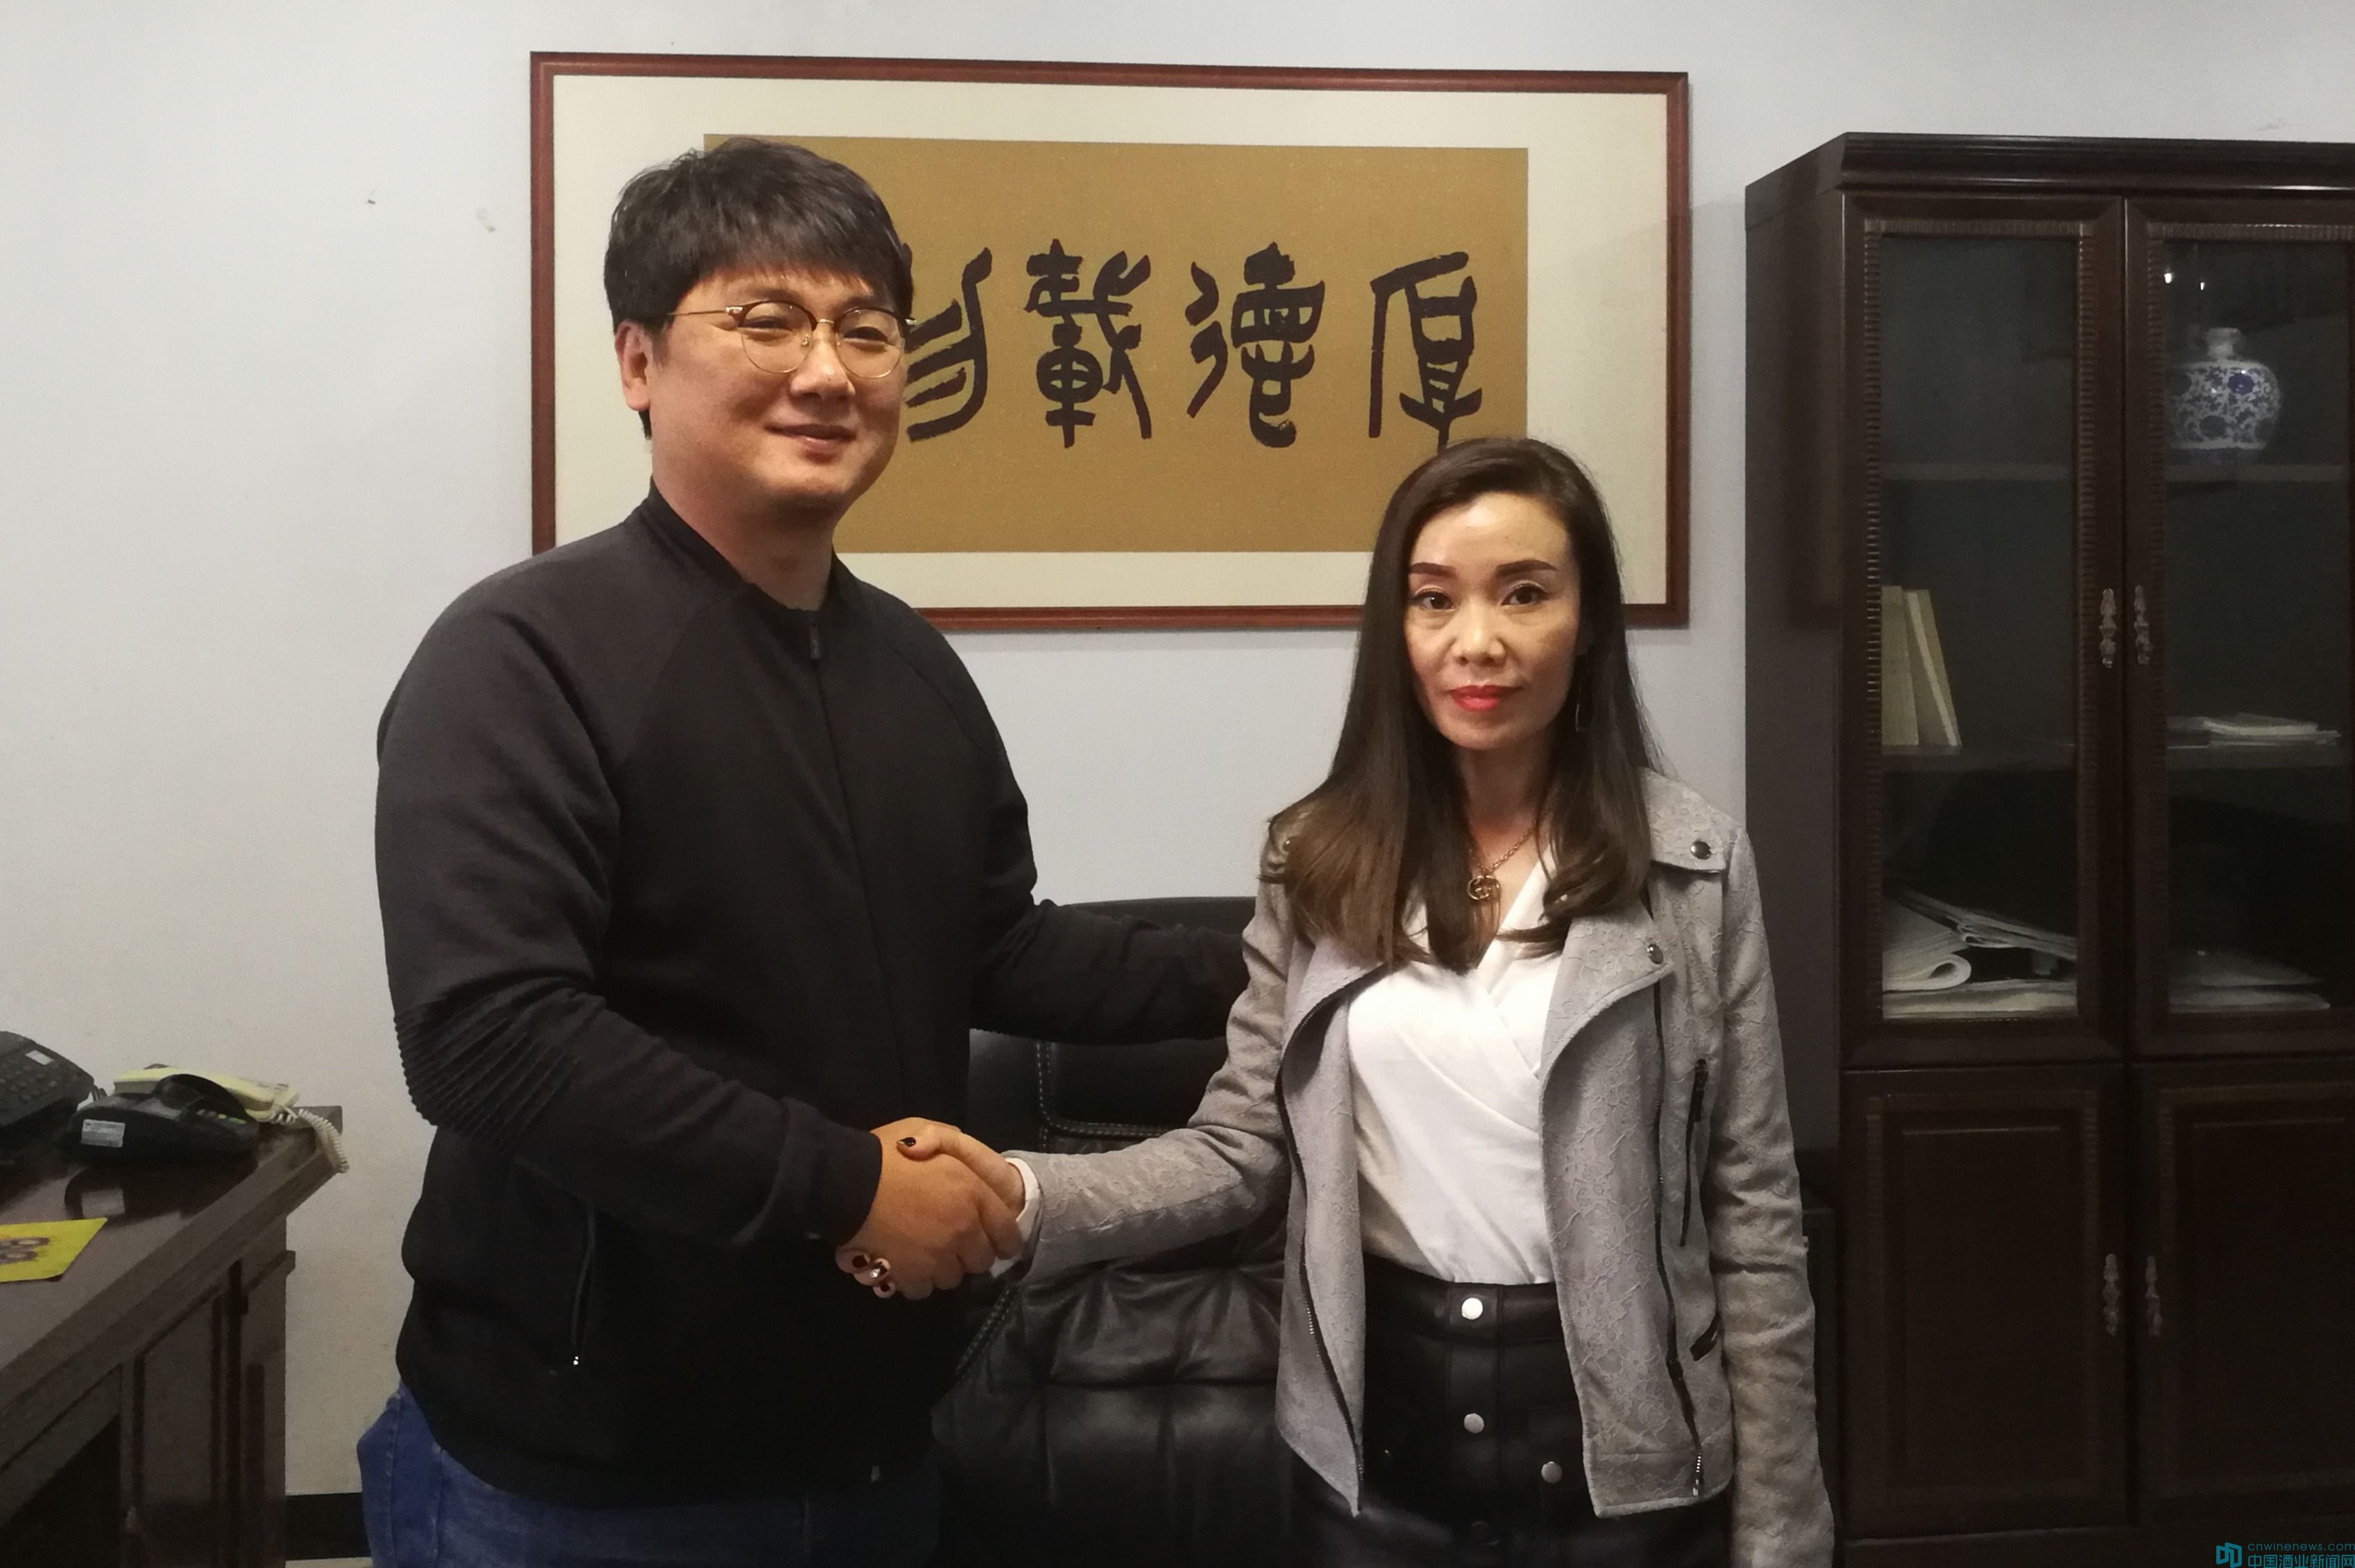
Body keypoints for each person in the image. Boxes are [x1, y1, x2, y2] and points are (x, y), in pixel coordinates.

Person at [362, 137, 1244, 1568]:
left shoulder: (909, 664)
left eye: (866, 330)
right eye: (766, 320)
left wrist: (1305, 950)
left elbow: (1001, 947)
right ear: (637, 360)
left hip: (874, 1438)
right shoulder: (520, 655)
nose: (827, 371)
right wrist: (846, 1185)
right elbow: (489, 1037)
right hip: (586, 1481)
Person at [883, 436, 1835, 1565]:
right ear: (1397, 627)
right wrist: (1021, 1195)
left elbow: (1751, 1215)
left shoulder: (1690, 867)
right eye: (1433, 600)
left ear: (1585, 622)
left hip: (1628, 1471)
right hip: (1374, 1464)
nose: (1475, 641)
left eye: (1523, 593)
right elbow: (1238, 1150)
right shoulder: (1317, 862)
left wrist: (1781, 1534)